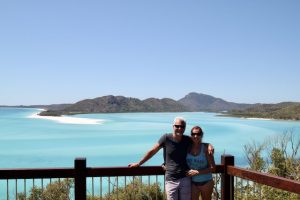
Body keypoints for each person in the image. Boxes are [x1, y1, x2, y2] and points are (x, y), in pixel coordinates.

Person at [128, 117, 214, 200]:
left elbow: (198, 142)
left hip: (185, 178)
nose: (179, 128)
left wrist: (209, 145)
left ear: (184, 128)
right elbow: (152, 151)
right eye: (177, 126)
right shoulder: (166, 138)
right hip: (170, 179)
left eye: (182, 126)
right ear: (173, 126)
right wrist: (139, 163)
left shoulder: (187, 139)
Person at [186, 126, 216, 200]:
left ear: (201, 135)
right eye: (193, 134)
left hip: (206, 182)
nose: (195, 136)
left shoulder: (206, 149)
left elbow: (213, 168)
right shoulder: (187, 148)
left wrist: (197, 172)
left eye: (198, 134)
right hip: (193, 182)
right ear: (191, 135)